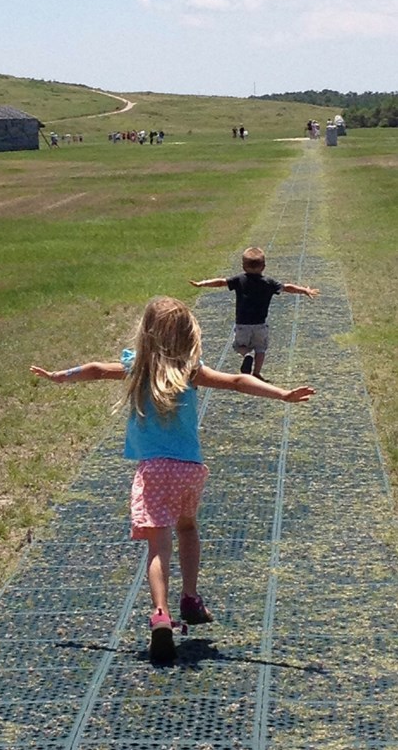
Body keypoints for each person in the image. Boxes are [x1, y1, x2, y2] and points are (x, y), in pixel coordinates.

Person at [30, 296, 315, 663]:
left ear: (146, 334)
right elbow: (238, 381)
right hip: (190, 470)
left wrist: (60, 376)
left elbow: (96, 369)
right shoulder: (191, 371)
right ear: (187, 335)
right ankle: (191, 598)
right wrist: (281, 394)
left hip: (154, 471)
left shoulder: (137, 367)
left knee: (158, 547)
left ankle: (161, 613)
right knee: (189, 529)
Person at [190, 246, 319, 380]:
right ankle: (257, 373)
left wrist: (202, 283)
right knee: (261, 348)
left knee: (239, 346)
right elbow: (287, 287)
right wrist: (304, 290)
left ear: (243, 266)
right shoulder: (269, 282)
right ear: (263, 266)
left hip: (242, 324)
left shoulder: (239, 279)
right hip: (260, 324)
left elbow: (221, 282)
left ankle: (246, 355)